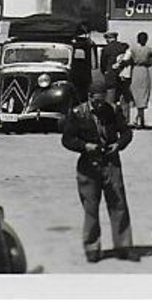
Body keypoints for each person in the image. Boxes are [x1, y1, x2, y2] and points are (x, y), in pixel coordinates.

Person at [60, 91, 135, 263]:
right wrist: (85, 146)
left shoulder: (112, 110)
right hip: (88, 164)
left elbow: (126, 132)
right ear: (89, 96)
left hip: (111, 163)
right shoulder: (78, 113)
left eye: (102, 101)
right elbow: (67, 139)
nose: (100, 105)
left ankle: (123, 246)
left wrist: (119, 144)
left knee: (118, 204)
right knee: (91, 207)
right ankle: (92, 248)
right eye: (96, 102)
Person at [128, 31, 152, 128]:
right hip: (144, 72)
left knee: (136, 93)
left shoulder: (133, 49)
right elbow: (151, 63)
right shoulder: (149, 50)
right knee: (143, 94)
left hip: (135, 71)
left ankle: (138, 117)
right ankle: (140, 117)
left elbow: (129, 61)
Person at [99, 30, 129, 103]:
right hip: (123, 75)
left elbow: (103, 64)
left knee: (110, 99)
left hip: (111, 76)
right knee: (123, 98)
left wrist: (104, 72)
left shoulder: (106, 49)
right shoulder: (123, 47)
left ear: (108, 39)